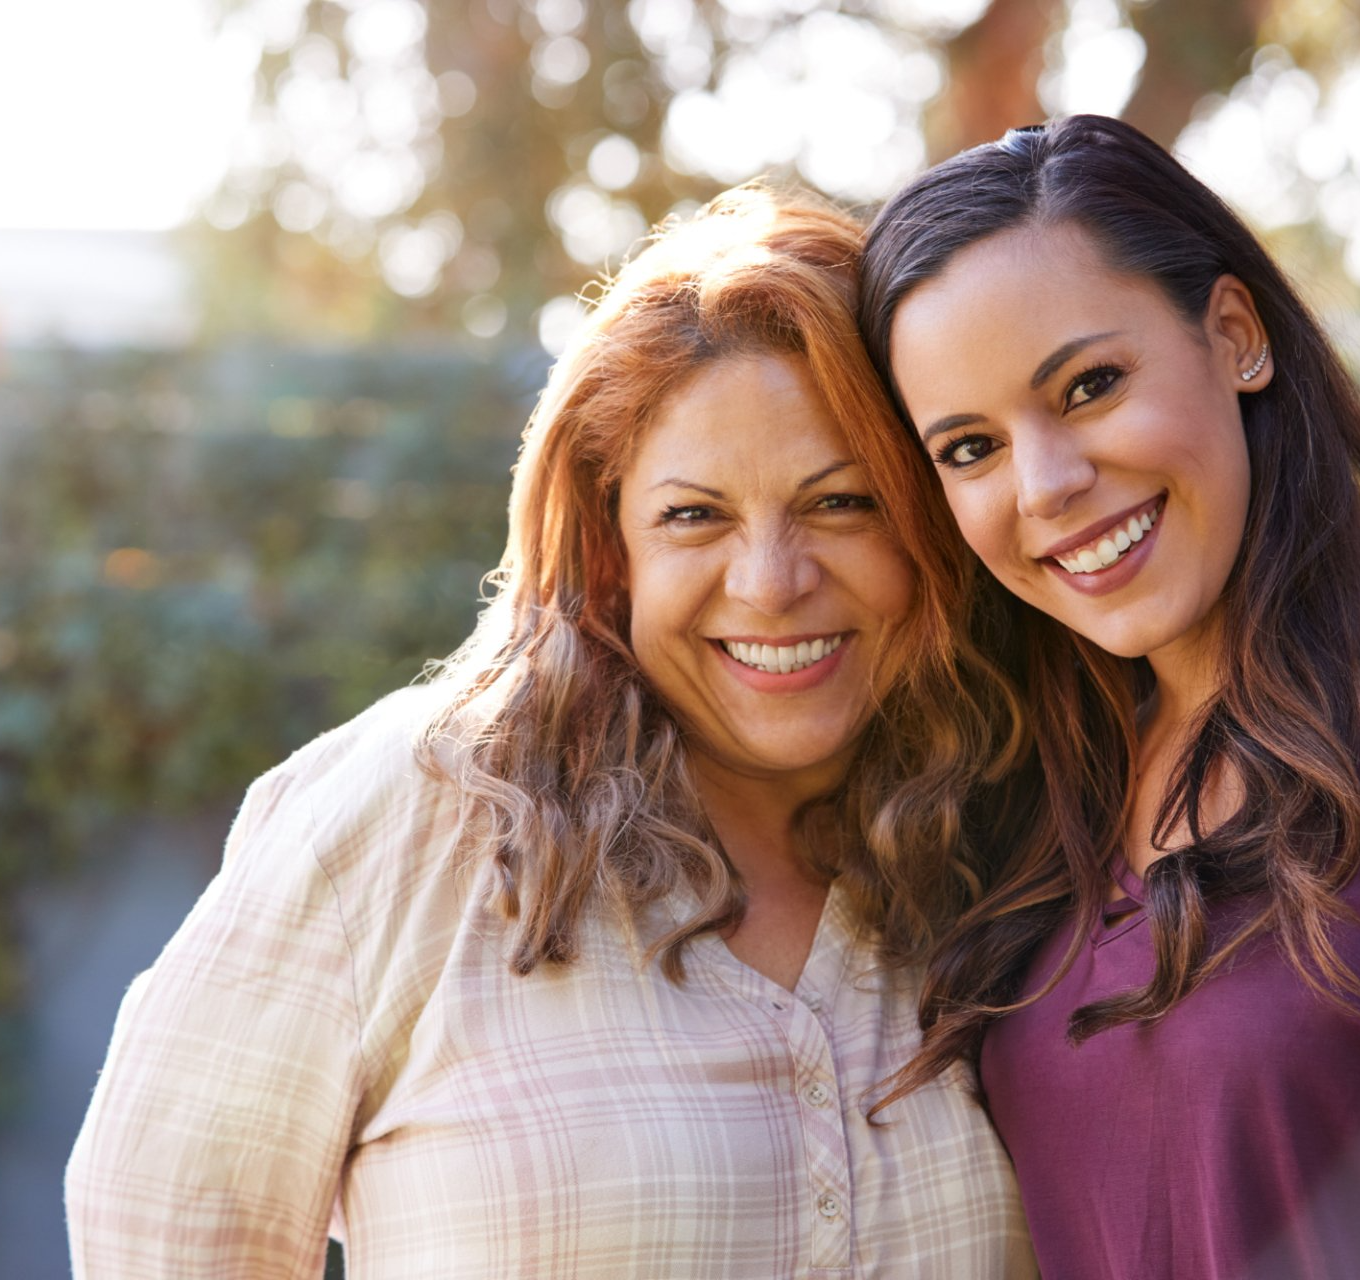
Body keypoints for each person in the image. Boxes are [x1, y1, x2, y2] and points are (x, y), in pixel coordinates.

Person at [66, 187, 1037, 1279]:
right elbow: (167, 1230)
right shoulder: (419, 812)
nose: (771, 583)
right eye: (694, 515)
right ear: (612, 549)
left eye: (841, 502)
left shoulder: (1019, 842)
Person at [856, 115, 1360, 1280]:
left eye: (1090, 384)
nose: (1048, 485)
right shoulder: (1036, 807)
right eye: (969, 449)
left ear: (1235, 336)